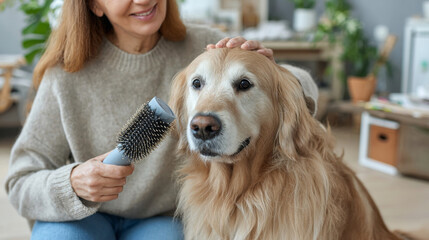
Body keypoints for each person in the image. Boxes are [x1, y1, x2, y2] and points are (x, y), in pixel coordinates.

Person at [5, 0, 318, 239]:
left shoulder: (206, 47)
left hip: (163, 218)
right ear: (94, 5)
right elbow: (20, 181)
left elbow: (299, 95)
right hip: (83, 217)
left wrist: (275, 71)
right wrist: (72, 184)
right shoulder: (64, 75)